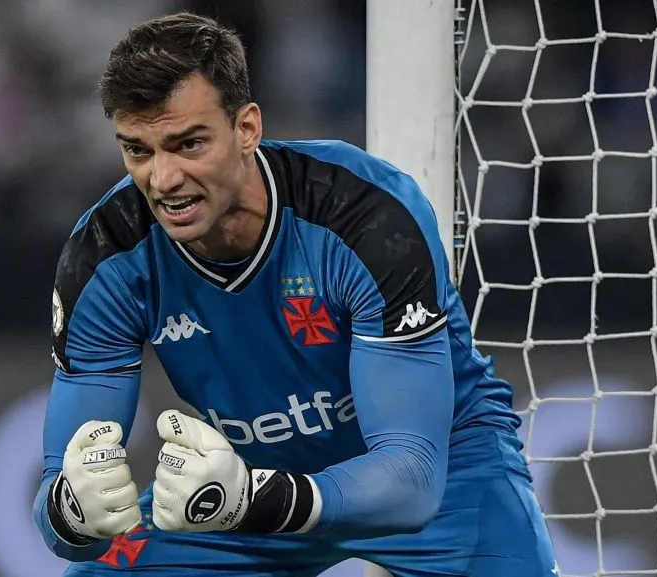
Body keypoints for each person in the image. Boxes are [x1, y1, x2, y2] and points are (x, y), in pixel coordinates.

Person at [33, 11, 559, 577]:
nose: (163, 180)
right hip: (245, 481)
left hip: (444, 468)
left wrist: (259, 498)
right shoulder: (105, 255)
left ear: (247, 129)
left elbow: (412, 481)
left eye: (188, 144)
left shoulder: (366, 216)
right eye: (139, 150)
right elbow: (55, 507)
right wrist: (72, 512)